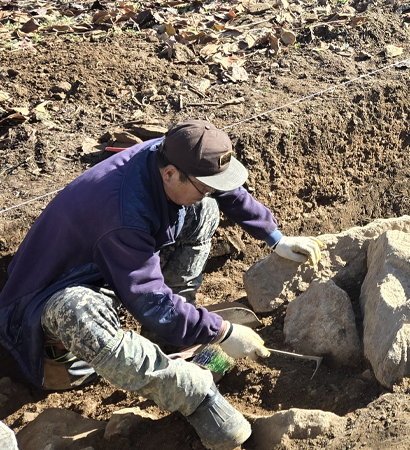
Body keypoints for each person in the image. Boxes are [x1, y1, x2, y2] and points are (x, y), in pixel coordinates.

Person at [0, 119, 322, 450]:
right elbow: (151, 301)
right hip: (45, 307)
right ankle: (194, 394)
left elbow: (222, 189)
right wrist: (222, 332)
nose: (210, 192)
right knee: (79, 312)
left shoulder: (170, 155)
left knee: (203, 210)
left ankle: (172, 336)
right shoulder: (124, 216)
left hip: (106, 265)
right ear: (169, 174)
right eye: (204, 186)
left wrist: (275, 237)